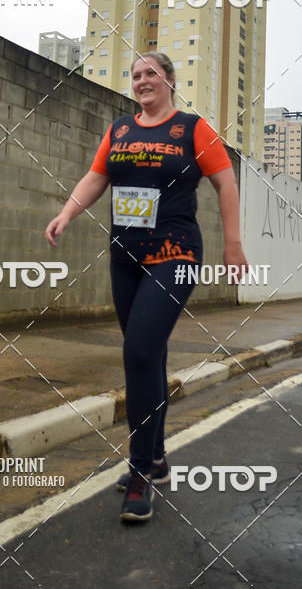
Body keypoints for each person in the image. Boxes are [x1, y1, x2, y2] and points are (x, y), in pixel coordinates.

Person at [45, 52, 248, 522]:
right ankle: (155, 457)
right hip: (126, 258)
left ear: (170, 81)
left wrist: (233, 243)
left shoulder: (194, 129)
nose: (142, 81)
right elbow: (97, 176)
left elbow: (226, 182)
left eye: (150, 73)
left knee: (138, 352)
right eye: (135, 76)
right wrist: (66, 213)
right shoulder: (119, 130)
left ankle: (138, 471)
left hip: (175, 254)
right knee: (148, 354)